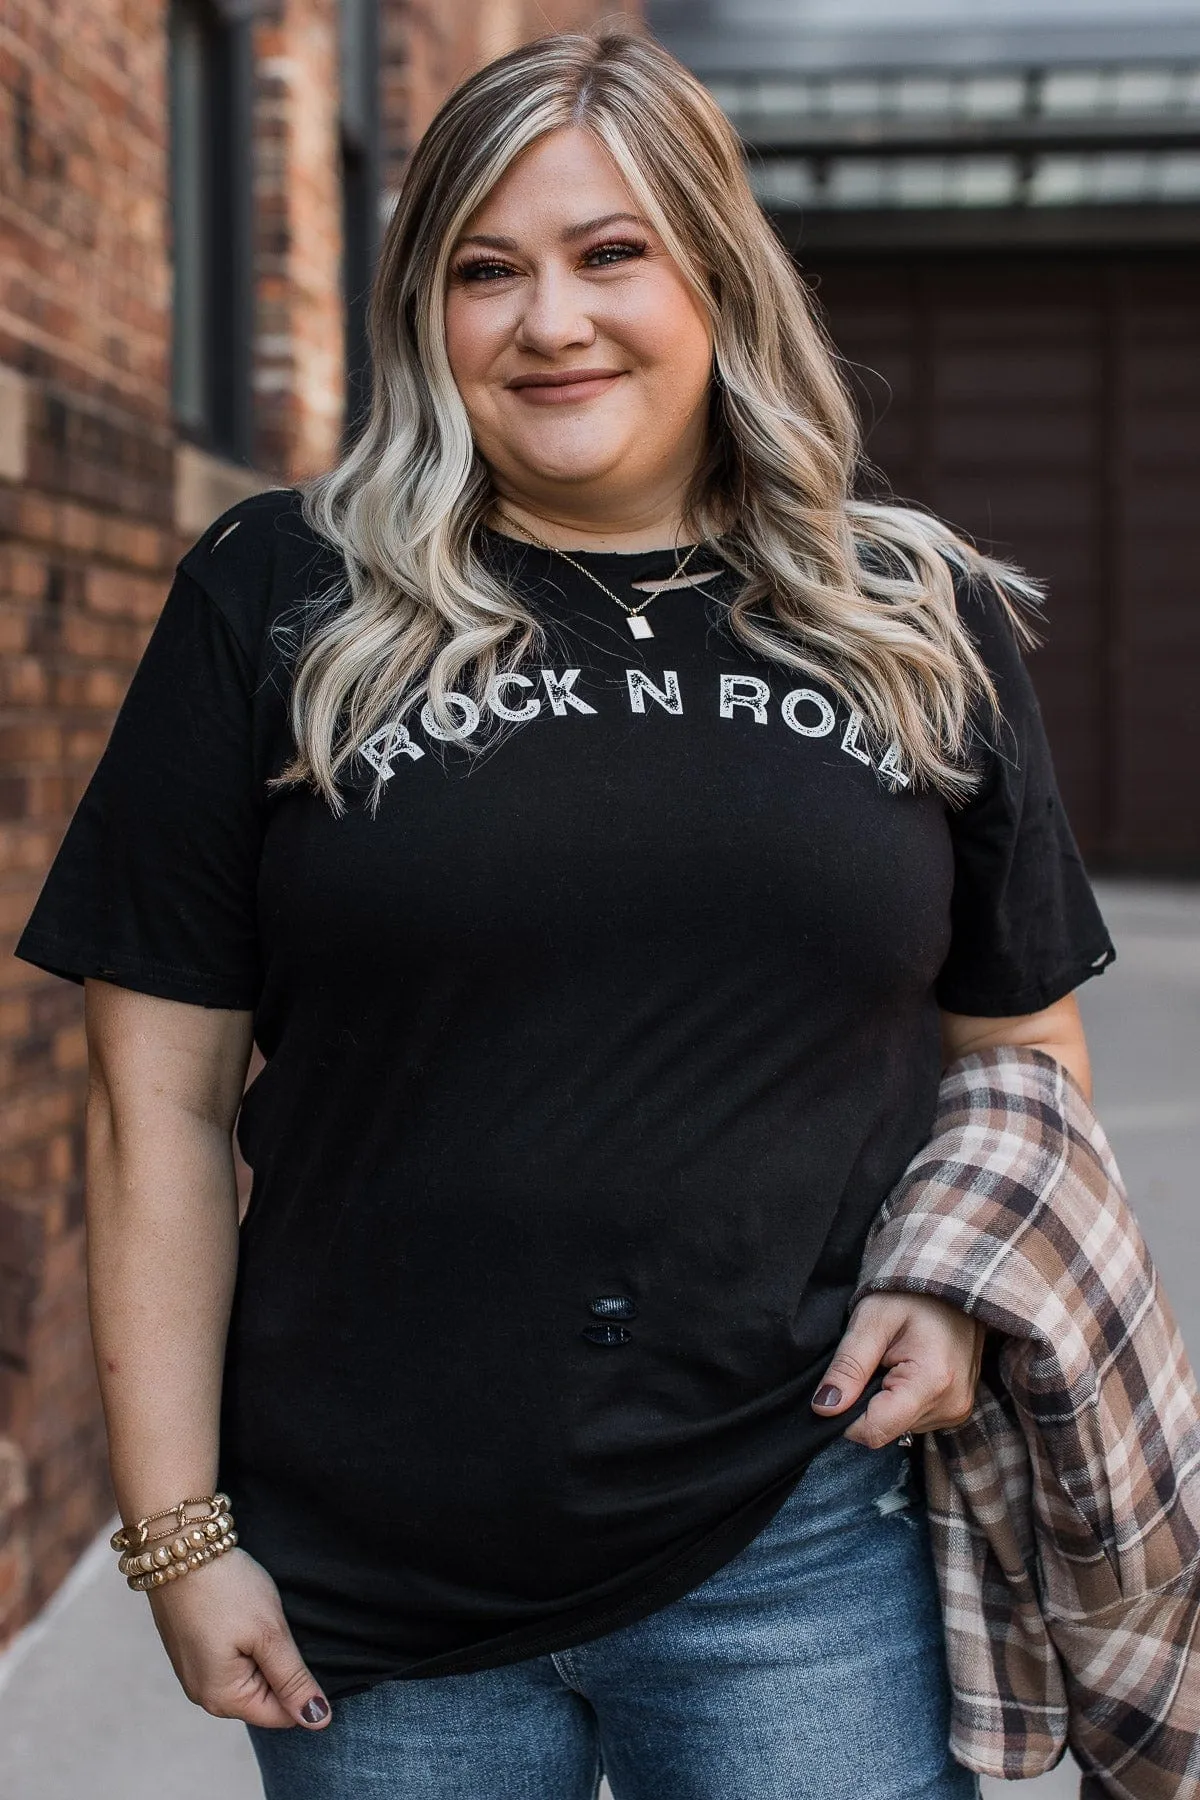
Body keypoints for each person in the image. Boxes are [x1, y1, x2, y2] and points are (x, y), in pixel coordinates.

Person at [16, 27, 1115, 1800]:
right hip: (371, 1566)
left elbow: (1020, 1043)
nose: (552, 322)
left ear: (716, 273)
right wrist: (173, 1529)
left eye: (612, 253)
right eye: (486, 270)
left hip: (800, 1535)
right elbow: (153, 1105)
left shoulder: (907, 613)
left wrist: (966, 1297)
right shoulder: (284, 597)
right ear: (423, 312)